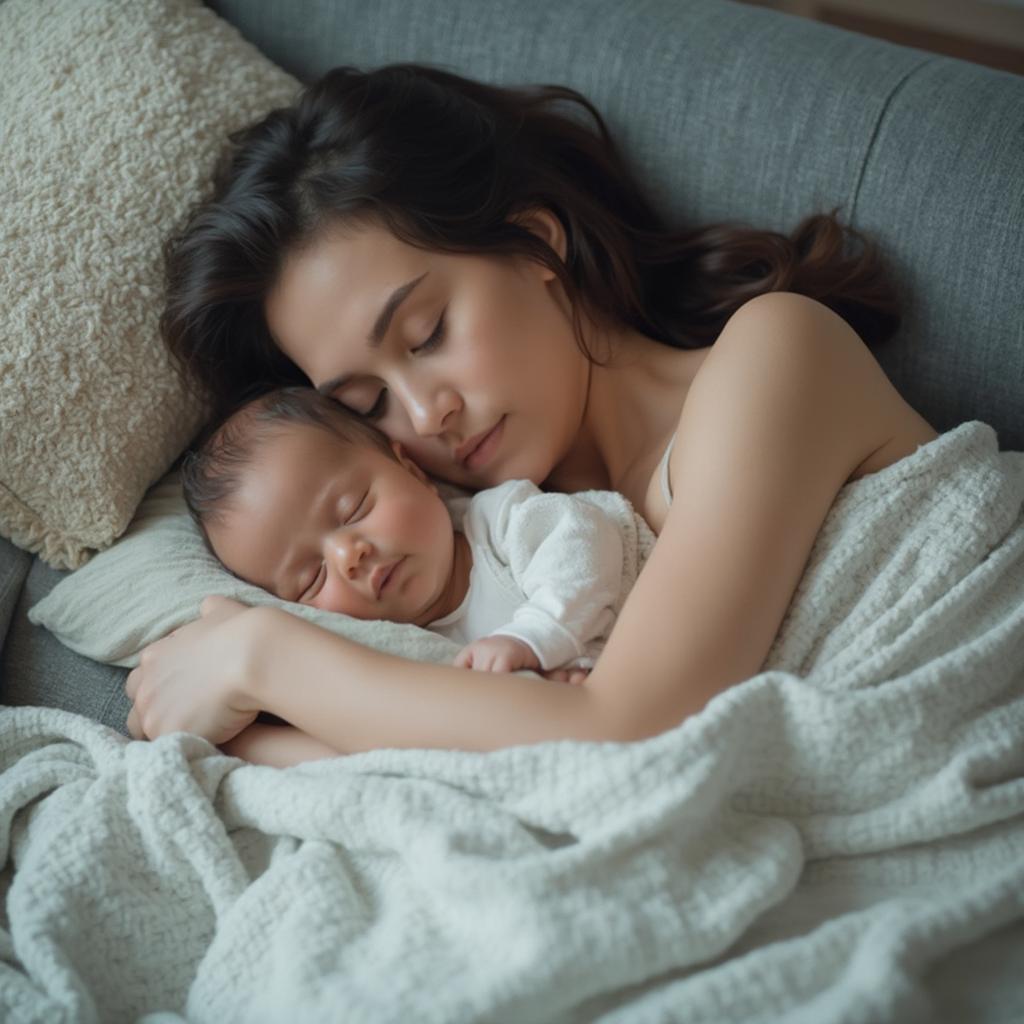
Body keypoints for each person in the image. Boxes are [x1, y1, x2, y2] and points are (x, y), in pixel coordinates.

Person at [126, 63, 939, 761]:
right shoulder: (470, 555)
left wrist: (260, 665)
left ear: (534, 243)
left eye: (429, 332)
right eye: (367, 404)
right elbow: (506, 769)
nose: (424, 412)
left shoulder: (774, 353)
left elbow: (624, 736)